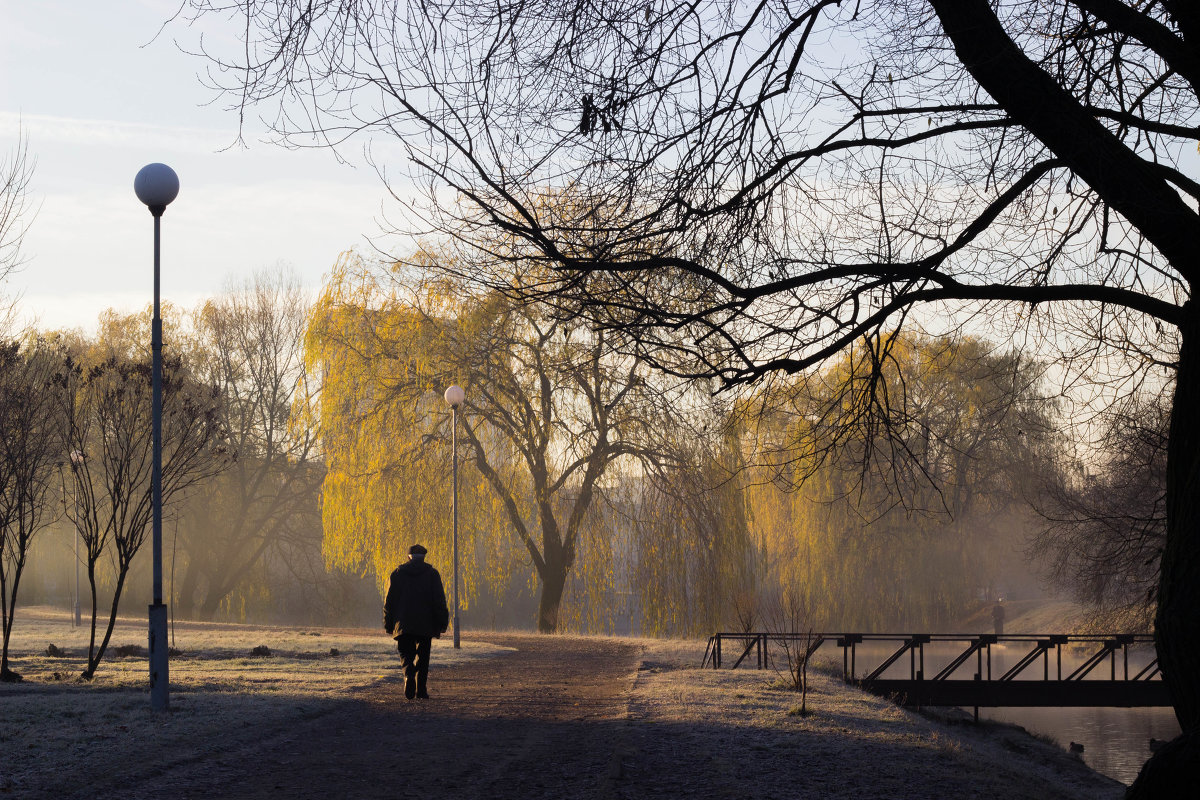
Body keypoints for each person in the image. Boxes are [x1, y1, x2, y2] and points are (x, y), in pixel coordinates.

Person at [383, 544, 450, 699]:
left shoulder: (397, 574)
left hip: (403, 623)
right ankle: (421, 690)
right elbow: (439, 601)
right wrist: (442, 623)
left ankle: (408, 675)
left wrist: (388, 624)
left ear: (408, 557)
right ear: (424, 557)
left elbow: (389, 602)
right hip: (426, 624)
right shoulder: (433, 575)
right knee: (424, 656)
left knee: (405, 653)